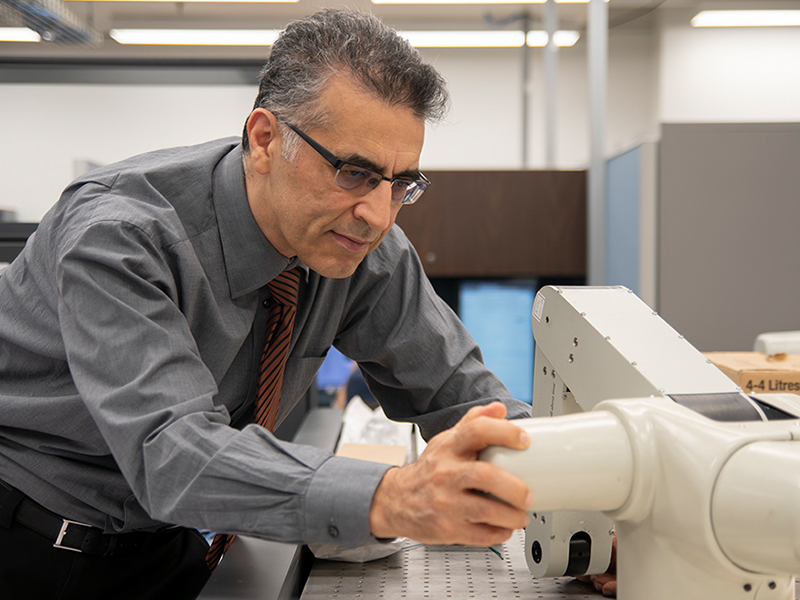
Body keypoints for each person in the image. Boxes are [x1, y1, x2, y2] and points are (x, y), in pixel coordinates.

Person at [0, 8, 537, 600]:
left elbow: (463, 398)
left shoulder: (356, 242)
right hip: (31, 542)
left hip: (162, 541)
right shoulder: (121, 235)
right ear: (265, 139)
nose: (379, 215)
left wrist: (585, 516)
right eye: (354, 172)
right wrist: (393, 497)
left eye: (401, 183)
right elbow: (173, 455)